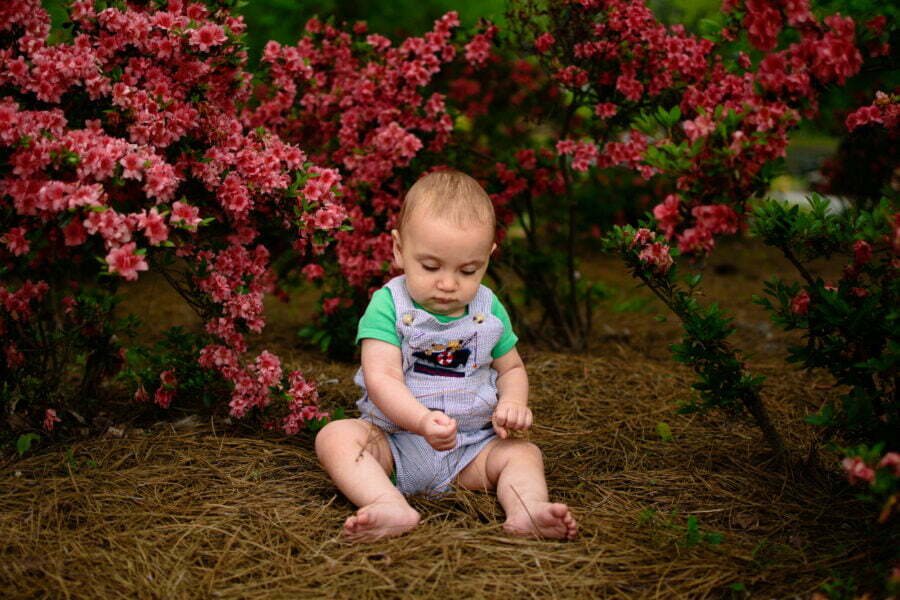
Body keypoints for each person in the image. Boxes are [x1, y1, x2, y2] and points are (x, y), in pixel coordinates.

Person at [315, 170, 577, 541]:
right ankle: (385, 501)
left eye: (468, 270)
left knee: (523, 454)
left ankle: (528, 509)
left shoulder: (489, 307)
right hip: (394, 442)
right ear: (399, 250)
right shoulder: (388, 305)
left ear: (488, 258)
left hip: (471, 449)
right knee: (336, 437)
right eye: (431, 266)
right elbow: (382, 377)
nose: (449, 284)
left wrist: (514, 403)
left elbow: (511, 367)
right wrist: (421, 421)